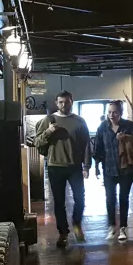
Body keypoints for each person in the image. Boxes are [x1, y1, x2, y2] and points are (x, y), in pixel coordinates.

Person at [34, 90, 91, 248]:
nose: (64, 105)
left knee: (80, 198)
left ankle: (77, 223)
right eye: (60, 102)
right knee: (59, 202)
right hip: (55, 166)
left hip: (74, 167)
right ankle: (63, 233)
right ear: (56, 103)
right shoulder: (49, 120)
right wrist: (49, 131)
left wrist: (86, 166)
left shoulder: (80, 121)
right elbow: (37, 142)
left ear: (72, 102)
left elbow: (87, 145)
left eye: (66, 102)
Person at [93, 100, 133, 241]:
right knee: (110, 199)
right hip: (109, 169)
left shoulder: (128, 126)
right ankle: (112, 226)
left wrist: (126, 138)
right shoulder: (102, 127)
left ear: (121, 113)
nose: (112, 115)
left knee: (123, 198)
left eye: (115, 112)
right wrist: (96, 166)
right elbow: (97, 148)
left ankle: (123, 228)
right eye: (109, 112)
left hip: (127, 170)